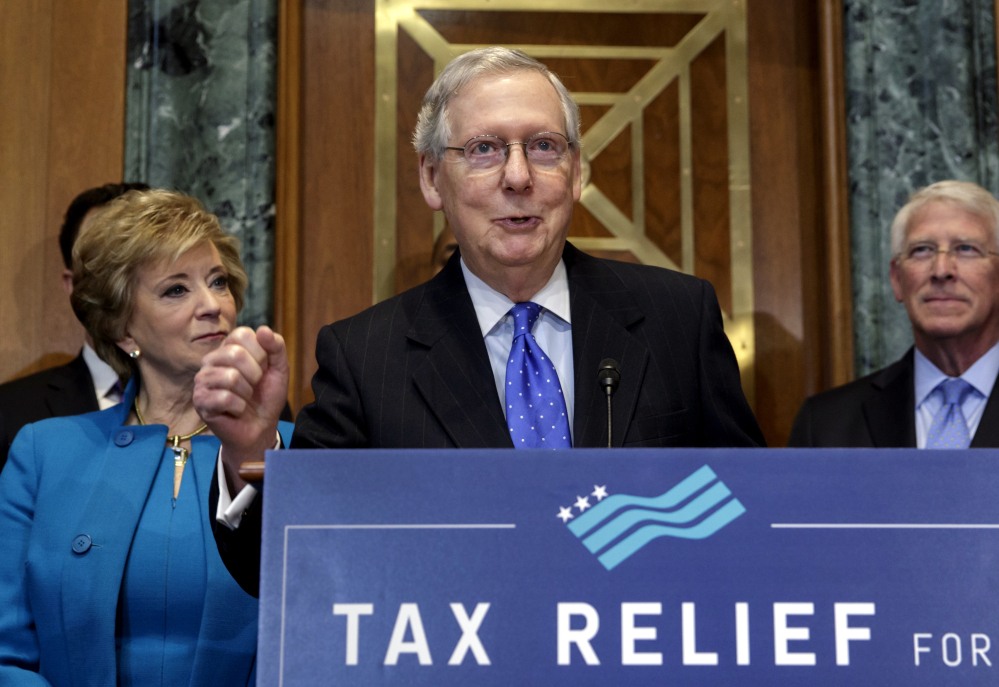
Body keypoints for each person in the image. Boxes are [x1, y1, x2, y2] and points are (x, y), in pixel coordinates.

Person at [193, 47, 764, 595]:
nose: (518, 177)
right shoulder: (366, 356)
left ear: (577, 172)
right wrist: (253, 452)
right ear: (431, 177)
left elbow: (752, 516)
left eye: (543, 146)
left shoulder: (677, 318)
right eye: (485, 149)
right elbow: (294, 568)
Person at [0, 190, 293, 685]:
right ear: (123, 329)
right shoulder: (43, 453)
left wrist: (256, 447)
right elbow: (9, 656)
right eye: (176, 289)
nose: (211, 306)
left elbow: (323, 624)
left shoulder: (291, 448)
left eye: (217, 282)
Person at [789, 180, 999, 447]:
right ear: (897, 279)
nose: (941, 270)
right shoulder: (824, 424)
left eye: (966, 249)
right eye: (922, 250)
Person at [0, 182, 149, 471]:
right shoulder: (10, 412)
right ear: (73, 286)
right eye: (104, 263)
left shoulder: (221, 406)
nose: (123, 283)